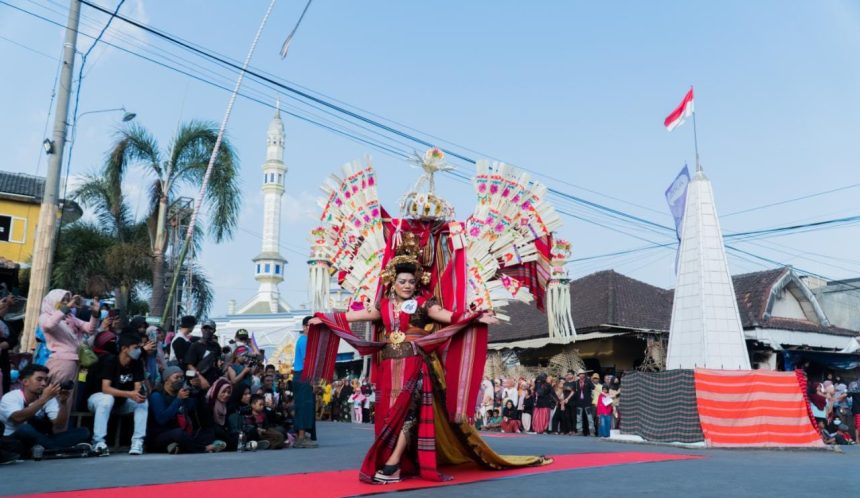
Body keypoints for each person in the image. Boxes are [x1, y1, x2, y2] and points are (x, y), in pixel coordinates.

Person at [307, 235, 548, 484]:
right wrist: (323, 319)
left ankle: (393, 465)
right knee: (389, 415)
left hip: (415, 364)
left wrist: (475, 317)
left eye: (412, 281)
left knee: (408, 415)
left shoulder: (423, 303)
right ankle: (396, 462)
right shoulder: (384, 306)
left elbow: (450, 316)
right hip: (389, 367)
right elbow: (353, 316)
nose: (408, 285)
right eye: (402, 281)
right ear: (394, 282)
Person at [39, 290, 99, 431]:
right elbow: (48, 326)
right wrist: (67, 307)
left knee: (67, 398)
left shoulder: (70, 316)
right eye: (63, 299)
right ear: (53, 300)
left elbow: (90, 329)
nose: (67, 302)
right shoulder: (46, 316)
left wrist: (95, 314)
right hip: (62, 361)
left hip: (74, 362)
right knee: (59, 397)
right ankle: (54, 433)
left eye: (68, 299)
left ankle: (60, 432)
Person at [0, 364, 90, 455]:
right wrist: (44, 399)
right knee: (25, 429)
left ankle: (46, 449)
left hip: (39, 439)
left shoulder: (48, 397)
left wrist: (63, 403)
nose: (44, 384)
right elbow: (18, 418)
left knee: (83, 432)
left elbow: (59, 425)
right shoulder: (11, 397)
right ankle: (57, 450)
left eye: (45, 380)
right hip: (12, 440)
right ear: (25, 382)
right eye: (39, 379)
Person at [86, 333, 149, 455]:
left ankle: (137, 441)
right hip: (98, 400)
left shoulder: (137, 363)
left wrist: (138, 393)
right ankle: (98, 442)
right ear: (124, 348)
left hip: (120, 402)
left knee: (142, 401)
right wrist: (130, 394)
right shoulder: (110, 361)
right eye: (136, 347)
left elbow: (137, 388)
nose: (139, 351)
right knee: (107, 398)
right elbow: (106, 388)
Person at [147, 366, 225, 454]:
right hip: (159, 436)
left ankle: (177, 448)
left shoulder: (180, 393)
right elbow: (161, 419)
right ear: (166, 379)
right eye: (176, 377)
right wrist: (178, 400)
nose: (179, 380)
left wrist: (196, 389)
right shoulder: (157, 395)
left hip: (179, 434)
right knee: (179, 433)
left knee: (207, 432)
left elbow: (194, 406)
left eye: (181, 377)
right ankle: (204, 448)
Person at [292, 316, 318, 448]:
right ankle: (301, 437)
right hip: (303, 375)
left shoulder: (308, 340)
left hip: (303, 375)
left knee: (307, 405)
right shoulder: (304, 340)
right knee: (303, 406)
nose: (312, 328)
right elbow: (306, 362)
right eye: (309, 325)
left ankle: (303, 435)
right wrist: (313, 381)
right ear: (304, 327)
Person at [185, 319, 222, 384]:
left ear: (214, 331)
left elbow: (217, 361)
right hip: (198, 380)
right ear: (201, 329)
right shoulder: (195, 345)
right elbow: (189, 365)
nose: (207, 331)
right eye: (205, 328)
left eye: (210, 329)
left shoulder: (216, 346)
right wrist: (200, 378)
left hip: (212, 379)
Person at [573, 370, 594, 436]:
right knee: (579, 418)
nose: (581, 375)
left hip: (587, 402)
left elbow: (593, 387)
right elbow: (573, 392)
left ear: (584, 374)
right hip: (579, 402)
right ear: (578, 375)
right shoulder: (576, 383)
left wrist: (589, 381)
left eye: (583, 374)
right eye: (580, 374)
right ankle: (579, 431)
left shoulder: (588, 381)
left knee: (590, 418)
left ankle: (592, 431)